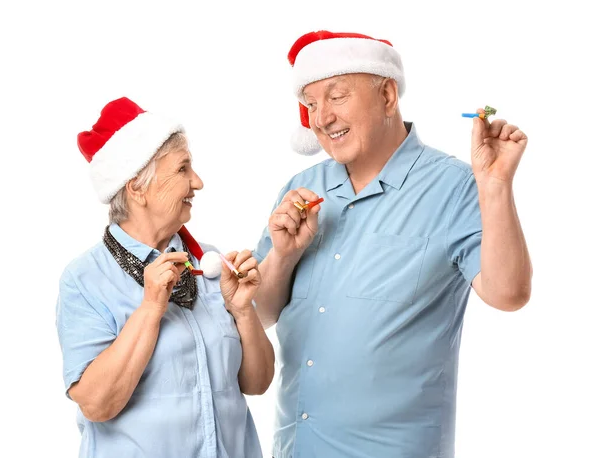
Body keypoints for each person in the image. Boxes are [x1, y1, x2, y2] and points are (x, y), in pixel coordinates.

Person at [252, 30, 532, 458]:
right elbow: (260, 312)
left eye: (336, 96)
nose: (321, 118)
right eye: (310, 104)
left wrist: (494, 188)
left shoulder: (453, 186)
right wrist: (284, 257)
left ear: (386, 95)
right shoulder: (301, 189)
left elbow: (508, 294)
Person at [56, 96, 274, 458]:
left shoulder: (209, 263)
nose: (198, 182)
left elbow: (258, 382)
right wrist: (151, 308)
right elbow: (96, 405)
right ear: (136, 186)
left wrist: (244, 311)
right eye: (183, 169)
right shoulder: (84, 280)